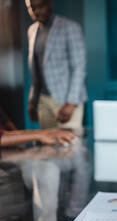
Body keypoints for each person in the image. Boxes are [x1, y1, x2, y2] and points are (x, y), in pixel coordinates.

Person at [25, 0, 87, 135]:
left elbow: (79, 68)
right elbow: (36, 70)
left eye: (40, 6)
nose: (36, 12)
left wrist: (71, 103)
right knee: (48, 150)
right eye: (31, 8)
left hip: (66, 100)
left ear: (50, 4)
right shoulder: (32, 31)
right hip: (43, 101)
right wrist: (32, 101)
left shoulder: (70, 27)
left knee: (70, 149)